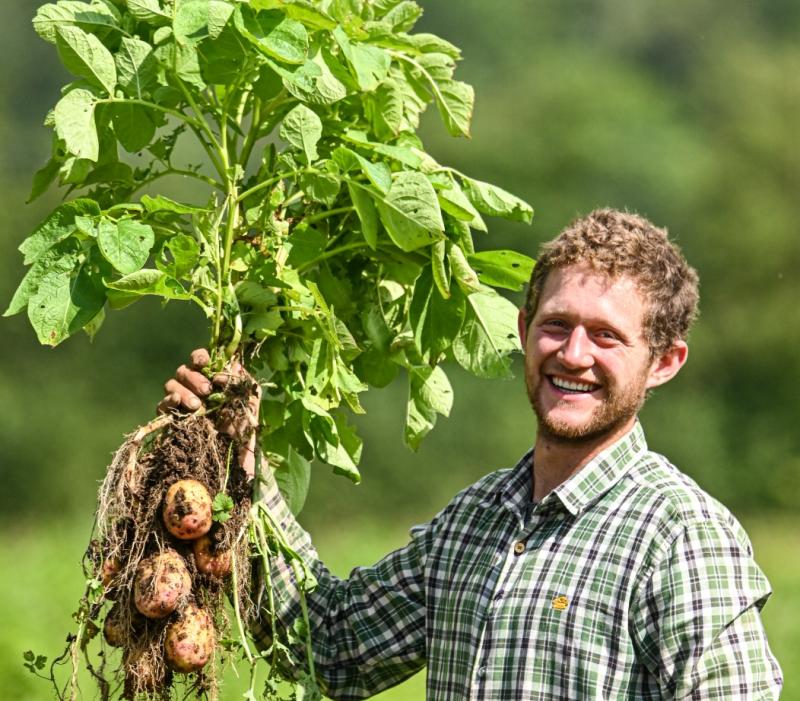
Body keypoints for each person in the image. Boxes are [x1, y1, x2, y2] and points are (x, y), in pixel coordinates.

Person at [161, 209, 783, 699]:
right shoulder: (472, 523)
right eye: (556, 325)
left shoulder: (679, 536)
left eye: (606, 336)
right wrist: (242, 467)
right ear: (522, 329)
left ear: (664, 362)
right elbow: (328, 647)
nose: (572, 354)